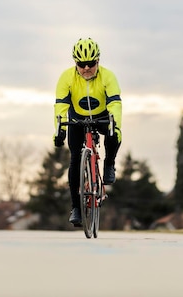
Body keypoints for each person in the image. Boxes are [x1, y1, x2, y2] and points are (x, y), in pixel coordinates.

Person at [53, 38, 122, 226]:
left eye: (90, 64)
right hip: (77, 117)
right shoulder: (66, 77)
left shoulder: (108, 76)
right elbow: (60, 106)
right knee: (75, 158)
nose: (86, 68)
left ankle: (109, 164)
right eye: (81, 64)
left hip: (102, 115)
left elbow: (115, 103)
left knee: (114, 134)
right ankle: (76, 207)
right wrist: (59, 131)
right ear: (75, 63)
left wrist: (114, 123)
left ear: (97, 61)